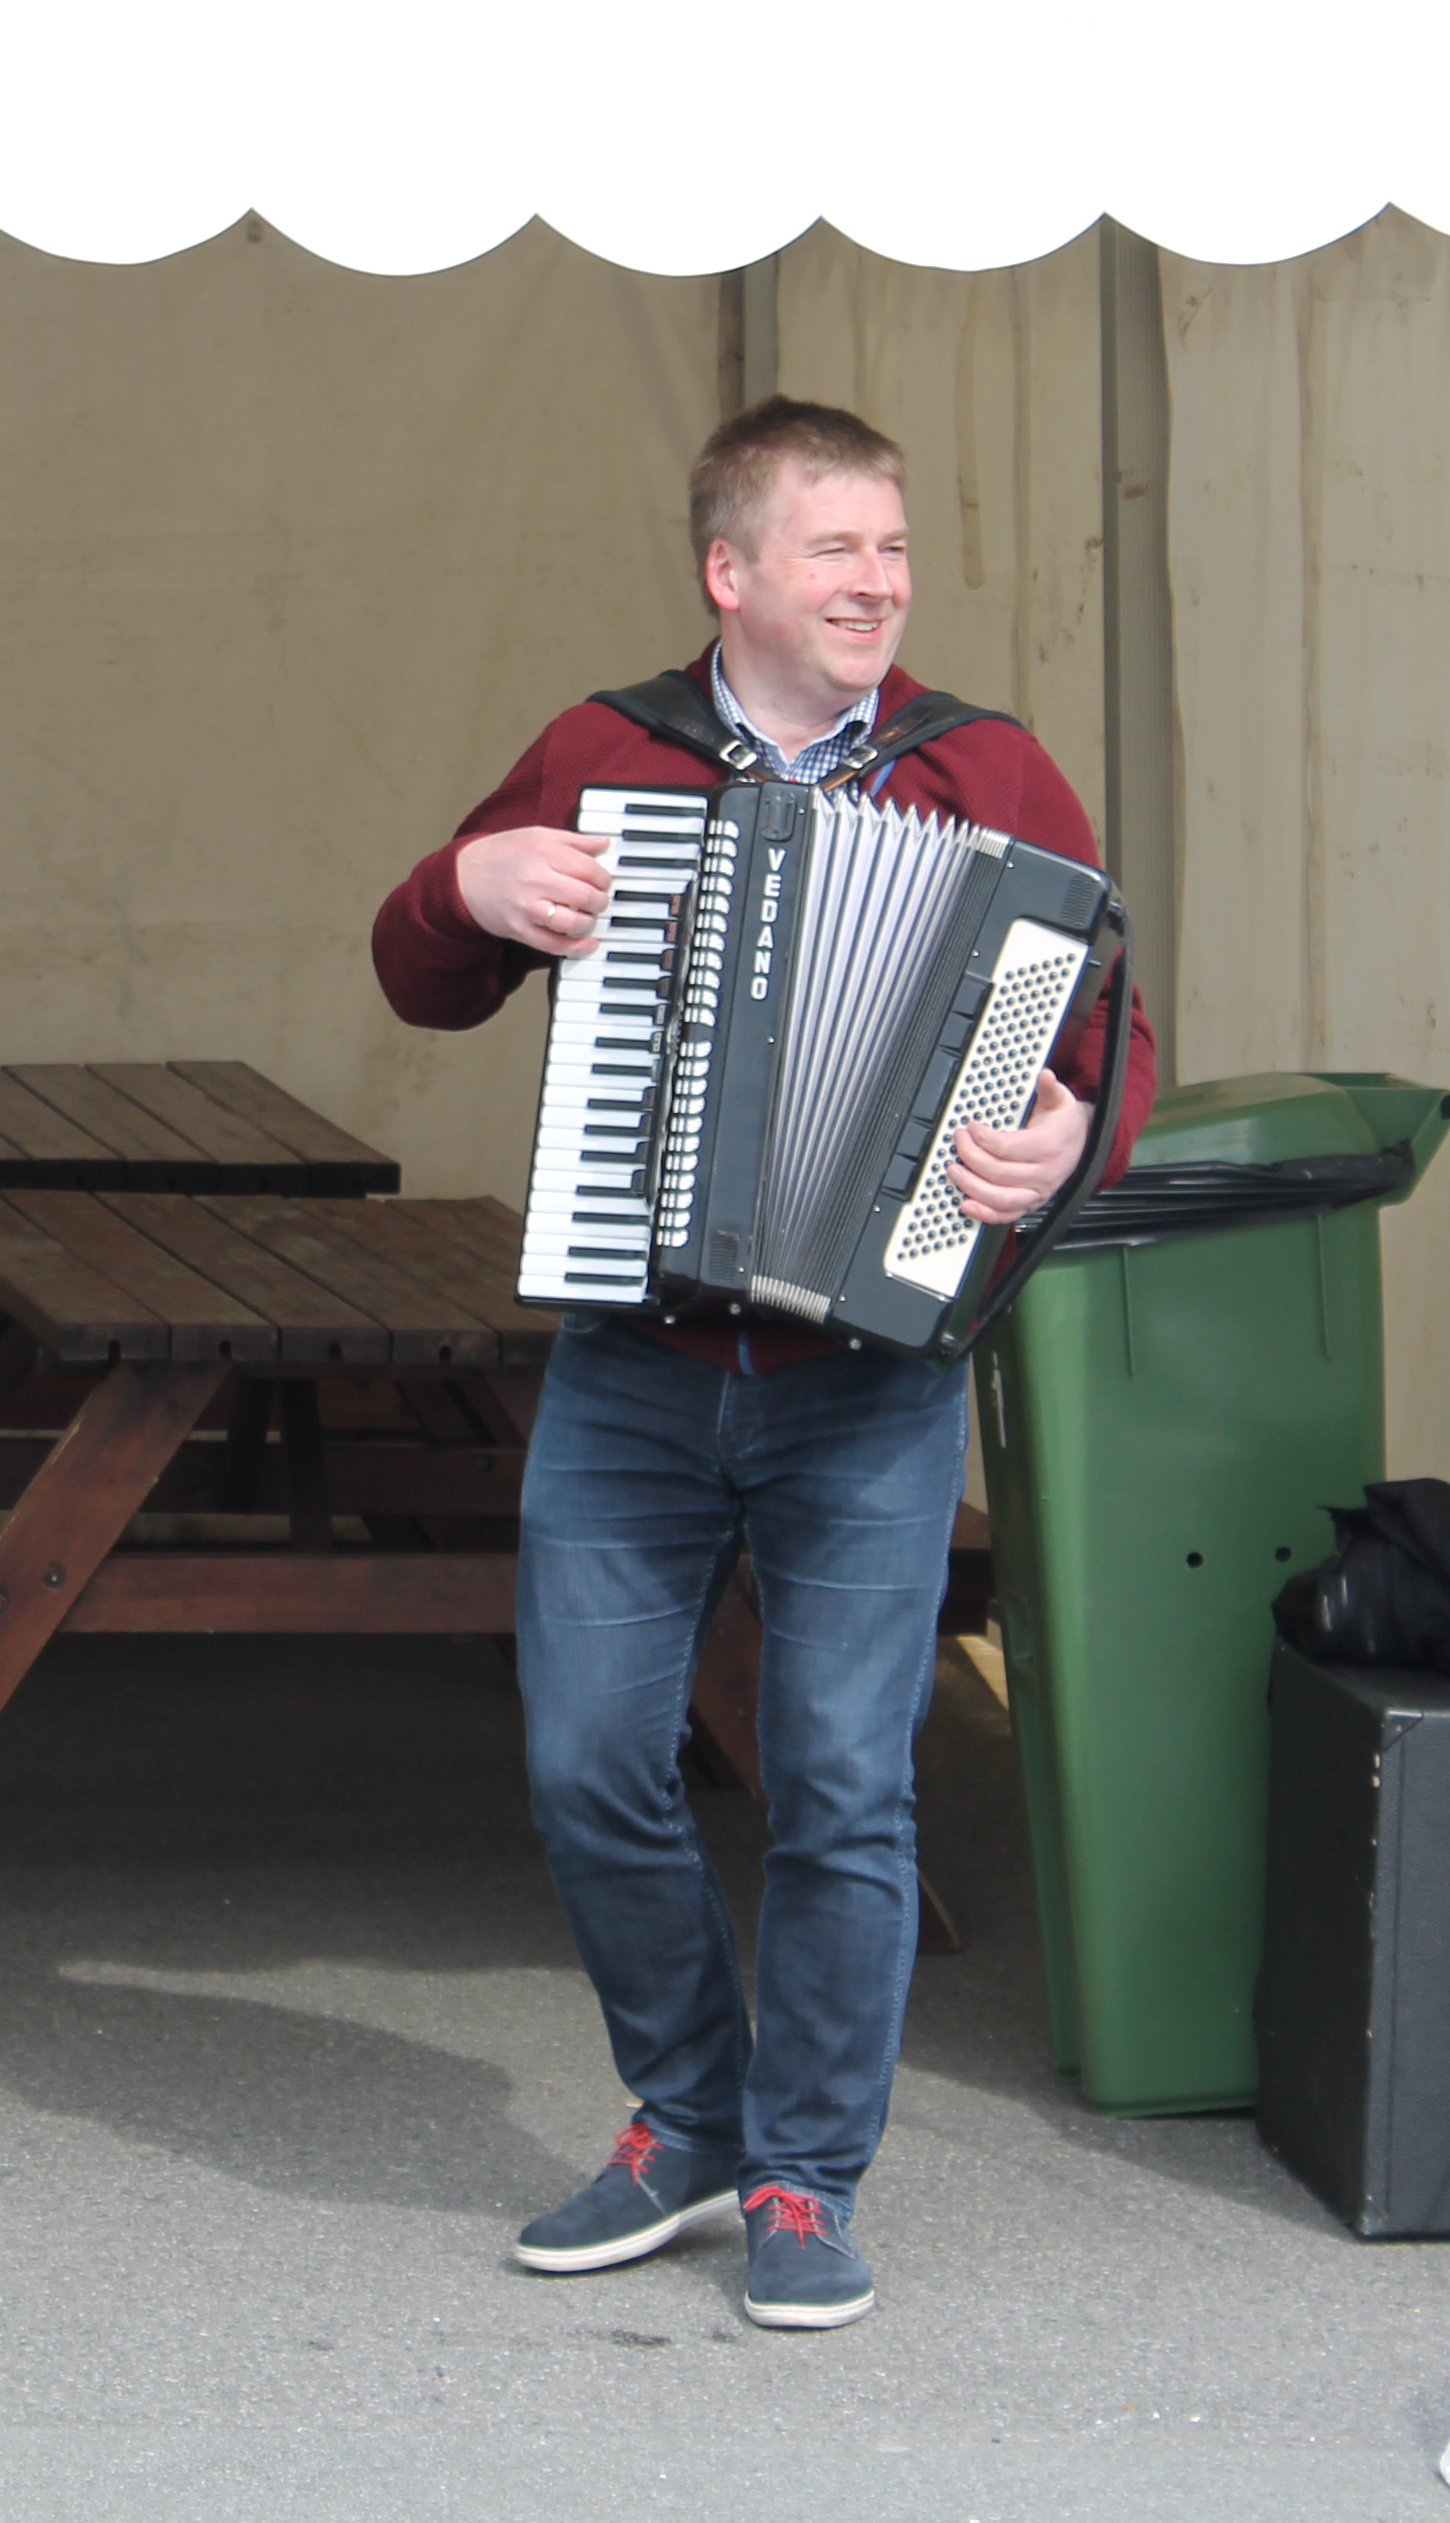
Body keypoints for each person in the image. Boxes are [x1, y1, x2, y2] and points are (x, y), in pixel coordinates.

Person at [369, 396, 1152, 2332]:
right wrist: (467, 888)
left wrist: (1072, 1137)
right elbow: (423, 974)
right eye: (837, 550)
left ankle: (807, 2170)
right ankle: (688, 2112)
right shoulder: (606, 753)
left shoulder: (987, 771)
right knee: (586, 1760)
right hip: (636, 1353)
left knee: (841, 1779)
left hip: (868, 1374)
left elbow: (1105, 1037)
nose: (879, 583)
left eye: (893, 549)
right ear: (732, 573)